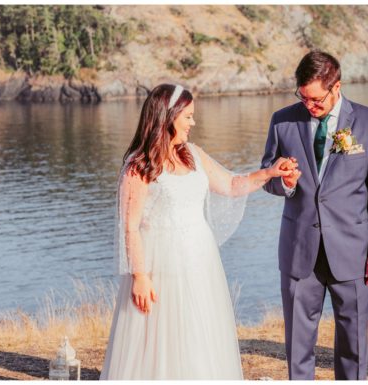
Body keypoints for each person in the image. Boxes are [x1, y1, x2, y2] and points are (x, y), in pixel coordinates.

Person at [101, 83, 294, 379]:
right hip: (160, 263)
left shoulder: (191, 153)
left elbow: (231, 185)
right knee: (162, 337)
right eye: (188, 116)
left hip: (199, 259)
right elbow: (130, 227)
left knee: (198, 329)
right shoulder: (138, 166)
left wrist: (268, 173)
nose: (193, 122)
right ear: (168, 116)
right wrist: (139, 276)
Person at [259, 50, 368, 380]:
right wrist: (284, 182)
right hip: (299, 249)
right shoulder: (282, 121)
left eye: (316, 99)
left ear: (337, 86)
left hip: (353, 250)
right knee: (298, 344)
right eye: (303, 98)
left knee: (354, 343)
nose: (310, 105)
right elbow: (267, 176)